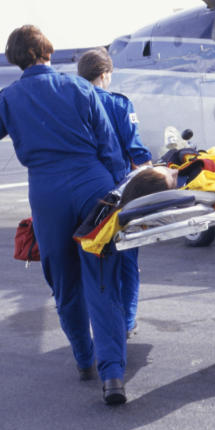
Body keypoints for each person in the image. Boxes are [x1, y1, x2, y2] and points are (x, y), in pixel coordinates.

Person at [0, 25, 132, 405]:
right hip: (93, 188)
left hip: (47, 195)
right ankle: (112, 376)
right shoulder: (81, 88)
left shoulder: (9, 99)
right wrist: (118, 197)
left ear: (16, 59)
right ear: (47, 51)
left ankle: (84, 359)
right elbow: (110, 148)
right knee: (102, 281)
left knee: (64, 282)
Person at [77, 48, 152, 339]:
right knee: (127, 259)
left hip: (80, 192)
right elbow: (135, 150)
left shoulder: (71, 104)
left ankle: (99, 322)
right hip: (116, 193)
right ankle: (126, 321)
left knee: (91, 261)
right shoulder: (119, 104)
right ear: (105, 74)